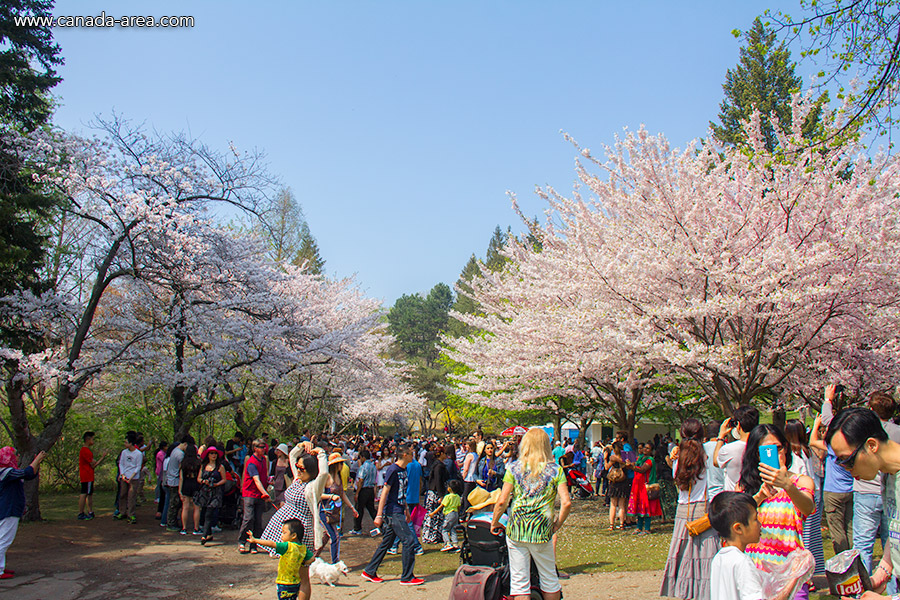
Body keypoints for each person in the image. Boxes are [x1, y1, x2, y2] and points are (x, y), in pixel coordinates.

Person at [824, 406, 900, 599]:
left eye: (847, 460)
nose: (846, 469)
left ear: (872, 445)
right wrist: (883, 571)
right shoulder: (888, 475)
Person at [490, 427, 570, 600]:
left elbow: (502, 500)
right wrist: (558, 523)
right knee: (549, 579)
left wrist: (495, 521)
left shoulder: (513, 468)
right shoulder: (556, 470)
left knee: (520, 583)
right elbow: (566, 502)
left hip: (517, 528)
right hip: (542, 528)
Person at [737, 424, 815, 600]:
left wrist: (786, 485)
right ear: (756, 454)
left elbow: (807, 508)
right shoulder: (745, 488)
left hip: (791, 576)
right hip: (755, 574)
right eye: (765, 450)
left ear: (786, 448)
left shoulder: (801, 482)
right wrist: (759, 497)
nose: (774, 454)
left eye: (778, 448)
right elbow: (735, 521)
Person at [660, 419, 719, 600]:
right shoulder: (706, 454)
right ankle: (705, 590)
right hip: (703, 506)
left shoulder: (678, 457)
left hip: (683, 509)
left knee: (682, 549)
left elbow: (676, 476)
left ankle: (683, 588)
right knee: (705, 552)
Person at [708, 491, 799, 600]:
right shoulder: (742, 562)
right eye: (755, 519)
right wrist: (795, 576)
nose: (760, 524)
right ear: (738, 528)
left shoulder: (719, 558)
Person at [361, 443, 424, 586]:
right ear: (405, 455)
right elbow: (385, 492)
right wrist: (378, 515)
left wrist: (406, 510)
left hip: (400, 509)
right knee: (408, 540)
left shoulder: (404, 469)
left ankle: (369, 571)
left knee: (387, 542)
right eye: (411, 453)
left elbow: (402, 492)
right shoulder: (393, 470)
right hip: (393, 512)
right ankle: (407, 577)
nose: (414, 455)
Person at [260, 443, 329, 565]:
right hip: (283, 526)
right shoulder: (298, 480)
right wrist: (302, 445)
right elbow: (292, 456)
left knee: (299, 569)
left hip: (299, 531)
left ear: (311, 471)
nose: (298, 470)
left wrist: (321, 454)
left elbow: (323, 473)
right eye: (298, 466)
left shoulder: (313, 487)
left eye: (301, 468)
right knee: (286, 565)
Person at [814, 384, 855, 554]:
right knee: (851, 527)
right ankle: (854, 558)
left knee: (837, 530)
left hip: (833, 490)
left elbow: (827, 421)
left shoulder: (835, 445)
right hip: (851, 489)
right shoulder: (855, 442)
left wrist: (828, 400)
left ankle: (843, 561)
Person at [784, 419, 825, 582]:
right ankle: (811, 572)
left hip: (801, 500)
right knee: (811, 538)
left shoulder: (793, 455)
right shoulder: (805, 451)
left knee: (802, 540)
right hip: (813, 497)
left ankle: (804, 575)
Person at [0, 448, 45, 580]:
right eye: (15, 455)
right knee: (4, 540)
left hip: (9, 508)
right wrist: (37, 459)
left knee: (4, 538)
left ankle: (1, 566)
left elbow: (29, 475)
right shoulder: (5, 472)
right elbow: (27, 472)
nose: (18, 456)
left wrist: (36, 463)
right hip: (8, 509)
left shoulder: (9, 471)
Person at [248, 519, 313, 600]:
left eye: (284, 533)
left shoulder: (286, 546)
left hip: (284, 582)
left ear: (293, 536)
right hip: (295, 582)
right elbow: (312, 558)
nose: (281, 535)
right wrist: (303, 562)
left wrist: (255, 540)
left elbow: (271, 544)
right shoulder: (303, 548)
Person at [320, 453, 358, 562]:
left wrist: (352, 507)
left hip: (335, 512)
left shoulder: (340, 477)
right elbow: (318, 494)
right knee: (334, 536)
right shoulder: (326, 477)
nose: (342, 465)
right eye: (340, 463)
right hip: (325, 511)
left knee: (326, 536)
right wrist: (331, 496)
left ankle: (313, 556)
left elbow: (342, 494)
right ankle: (335, 561)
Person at [713, 405, 760, 492]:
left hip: (735, 497)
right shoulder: (762, 446)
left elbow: (716, 462)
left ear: (738, 425)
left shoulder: (729, 449)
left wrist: (721, 437)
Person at [238, 438, 271, 553]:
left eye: (264, 447)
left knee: (258, 520)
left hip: (259, 495)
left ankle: (254, 544)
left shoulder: (263, 460)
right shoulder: (251, 462)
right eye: (261, 447)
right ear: (255, 448)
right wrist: (265, 493)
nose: (264, 449)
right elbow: (256, 480)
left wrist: (268, 483)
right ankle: (242, 541)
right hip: (250, 494)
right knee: (248, 518)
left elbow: (263, 477)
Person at [627, 442, 662, 534]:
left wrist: (632, 467)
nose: (645, 450)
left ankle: (647, 528)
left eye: (648, 448)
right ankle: (639, 527)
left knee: (646, 506)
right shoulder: (639, 458)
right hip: (637, 484)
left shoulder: (650, 460)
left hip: (645, 486)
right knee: (639, 505)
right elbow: (634, 464)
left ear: (651, 451)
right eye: (644, 448)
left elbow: (642, 469)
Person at [195, 446, 226, 545]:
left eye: (215, 453)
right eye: (211, 453)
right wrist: (204, 481)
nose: (214, 455)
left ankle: (204, 535)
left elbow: (224, 479)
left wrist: (217, 484)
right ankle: (209, 534)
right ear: (208, 455)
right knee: (204, 512)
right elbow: (198, 478)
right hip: (205, 492)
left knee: (209, 513)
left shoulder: (220, 467)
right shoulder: (203, 466)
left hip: (215, 493)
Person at [115, 432, 142, 524]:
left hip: (133, 478)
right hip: (124, 477)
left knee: (131, 496)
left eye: (126, 442)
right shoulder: (124, 452)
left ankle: (131, 514)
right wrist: (122, 474)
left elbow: (138, 467)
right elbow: (121, 463)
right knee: (122, 494)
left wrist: (132, 476)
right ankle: (122, 512)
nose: (125, 444)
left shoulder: (138, 454)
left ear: (131, 443)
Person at [78, 431, 105, 520]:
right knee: (85, 494)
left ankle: (89, 511)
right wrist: (102, 458)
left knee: (87, 493)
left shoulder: (85, 450)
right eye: (92, 439)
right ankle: (82, 512)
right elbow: (93, 464)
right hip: (88, 475)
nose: (93, 441)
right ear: (88, 439)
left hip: (85, 475)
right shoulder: (85, 451)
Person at [428, 479, 461, 552]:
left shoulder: (447, 497)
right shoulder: (458, 497)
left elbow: (441, 506)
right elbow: (459, 507)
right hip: (455, 514)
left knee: (444, 529)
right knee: (453, 529)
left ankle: (447, 543)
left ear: (449, 488)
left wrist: (433, 513)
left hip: (449, 514)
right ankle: (455, 544)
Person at [351, 448, 376, 535]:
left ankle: (357, 528)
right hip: (371, 489)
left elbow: (361, 480)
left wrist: (357, 493)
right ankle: (381, 525)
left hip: (364, 490)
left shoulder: (363, 467)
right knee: (371, 509)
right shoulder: (373, 466)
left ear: (363, 457)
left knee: (359, 509)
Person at [605, 440, 630, 530]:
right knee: (622, 504)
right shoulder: (625, 457)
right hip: (624, 480)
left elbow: (607, 467)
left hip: (614, 481)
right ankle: (622, 524)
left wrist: (605, 459)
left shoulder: (612, 457)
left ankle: (611, 525)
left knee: (613, 504)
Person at [179, 443, 202, 535]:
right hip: (195, 484)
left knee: (185, 507)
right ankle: (196, 528)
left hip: (186, 484)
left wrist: (180, 490)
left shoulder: (183, 463)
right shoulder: (198, 462)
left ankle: (184, 528)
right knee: (196, 508)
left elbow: (181, 478)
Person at [460, 440, 479, 515]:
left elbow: (466, 469)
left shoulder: (469, 455)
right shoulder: (476, 455)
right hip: (473, 479)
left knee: (466, 497)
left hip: (468, 478)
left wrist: (462, 478)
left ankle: (464, 513)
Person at [154, 440, 168, 520]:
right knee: (161, 490)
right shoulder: (160, 454)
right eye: (166, 446)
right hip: (160, 474)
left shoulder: (164, 454)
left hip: (162, 474)